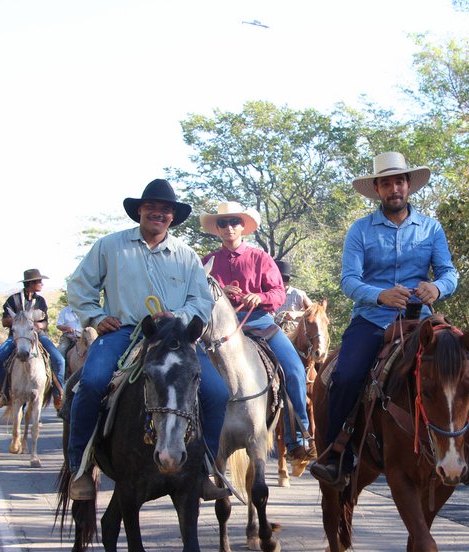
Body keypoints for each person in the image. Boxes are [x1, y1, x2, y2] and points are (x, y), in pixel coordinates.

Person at [309, 151, 469, 489]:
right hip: (372, 320)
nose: (394, 189)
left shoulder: (431, 228)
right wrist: (380, 295)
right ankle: (335, 454)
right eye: (387, 183)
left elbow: (449, 272)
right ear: (377, 189)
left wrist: (437, 287)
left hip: (422, 322)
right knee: (346, 375)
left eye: (400, 182)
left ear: (408, 186)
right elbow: (348, 280)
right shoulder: (360, 230)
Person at [65, 178, 230, 501]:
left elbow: (201, 301)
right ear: (139, 210)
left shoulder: (186, 255)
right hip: (124, 331)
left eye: (165, 209)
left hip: (175, 337)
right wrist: (96, 317)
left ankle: (204, 468)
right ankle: (80, 466)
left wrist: (177, 316)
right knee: (92, 383)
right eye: (151, 207)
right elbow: (79, 287)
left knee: (217, 392)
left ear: (172, 216)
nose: (158, 213)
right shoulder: (110, 246)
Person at [200, 202, 313, 463]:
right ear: (217, 228)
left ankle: (298, 437)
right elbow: (196, 295)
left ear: (242, 226)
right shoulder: (207, 263)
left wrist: (258, 297)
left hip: (259, 322)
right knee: (187, 370)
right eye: (223, 223)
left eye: (234, 222)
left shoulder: (261, 258)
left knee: (294, 369)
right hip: (218, 327)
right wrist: (219, 293)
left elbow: (278, 293)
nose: (229, 227)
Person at [0, 269, 66, 411]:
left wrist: (39, 325)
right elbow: (5, 321)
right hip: (17, 337)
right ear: (31, 283)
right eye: (39, 281)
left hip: (38, 336)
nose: (42, 284)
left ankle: (58, 395)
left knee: (59, 360)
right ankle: (4, 394)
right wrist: (19, 320)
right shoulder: (13, 300)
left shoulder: (40, 301)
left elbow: (45, 322)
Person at [274, 259, 313, 326]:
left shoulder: (298, 294)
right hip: (272, 328)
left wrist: (296, 314)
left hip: (292, 329)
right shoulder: (270, 294)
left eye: (285, 279)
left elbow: (313, 312)